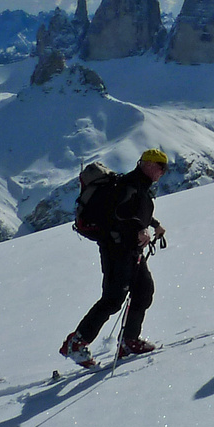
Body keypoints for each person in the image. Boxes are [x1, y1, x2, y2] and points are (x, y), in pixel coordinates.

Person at [60, 148, 168, 367]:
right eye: (160, 167)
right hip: (116, 250)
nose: (162, 173)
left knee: (143, 292)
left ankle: (129, 341)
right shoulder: (129, 185)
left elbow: (134, 210)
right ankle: (76, 343)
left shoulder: (137, 186)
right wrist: (140, 228)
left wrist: (154, 225)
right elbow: (118, 214)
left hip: (131, 250)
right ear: (148, 165)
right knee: (113, 299)